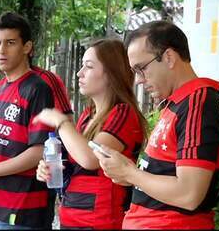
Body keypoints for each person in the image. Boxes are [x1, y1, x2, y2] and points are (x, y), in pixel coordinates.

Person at [94, 20, 219, 230]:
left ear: (168, 57)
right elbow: (164, 175)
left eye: (141, 69)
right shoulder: (180, 102)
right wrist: (127, 173)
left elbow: (189, 194)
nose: (139, 80)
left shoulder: (198, 102)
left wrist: (130, 173)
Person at [0, 11, 72, 230]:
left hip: (21, 209)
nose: (1, 50)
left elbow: (39, 151)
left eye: (10, 43)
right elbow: (9, 143)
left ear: (27, 47)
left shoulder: (37, 88)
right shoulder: (0, 89)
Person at [33, 38, 147, 229]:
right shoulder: (88, 115)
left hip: (101, 220)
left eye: (89, 66)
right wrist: (49, 168)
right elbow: (77, 163)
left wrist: (61, 122)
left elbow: (91, 159)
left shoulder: (123, 113)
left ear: (111, 73)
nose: (79, 73)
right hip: (72, 217)